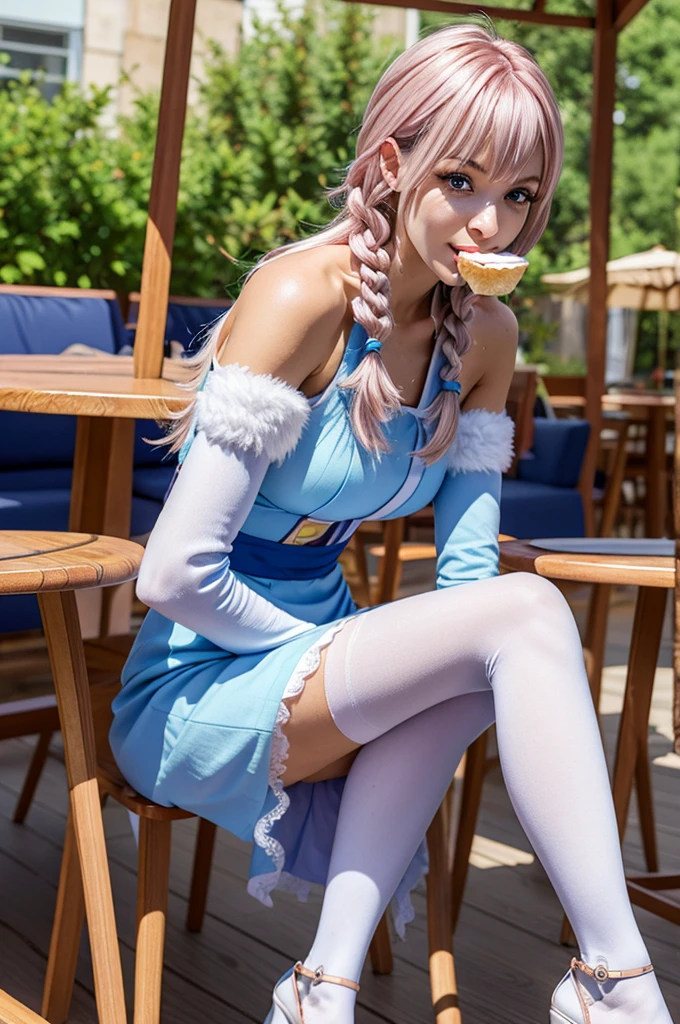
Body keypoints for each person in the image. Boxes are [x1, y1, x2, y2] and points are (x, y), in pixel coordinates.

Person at [110, 22, 674, 1024]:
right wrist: (336, 644)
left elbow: (464, 580)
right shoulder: (300, 296)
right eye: (459, 179)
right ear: (388, 163)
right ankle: (614, 982)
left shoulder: (486, 334)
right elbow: (172, 575)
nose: (489, 223)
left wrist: (396, 650)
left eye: (517, 196)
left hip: (315, 665)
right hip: (195, 682)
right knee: (519, 614)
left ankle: (321, 987)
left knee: (485, 643)